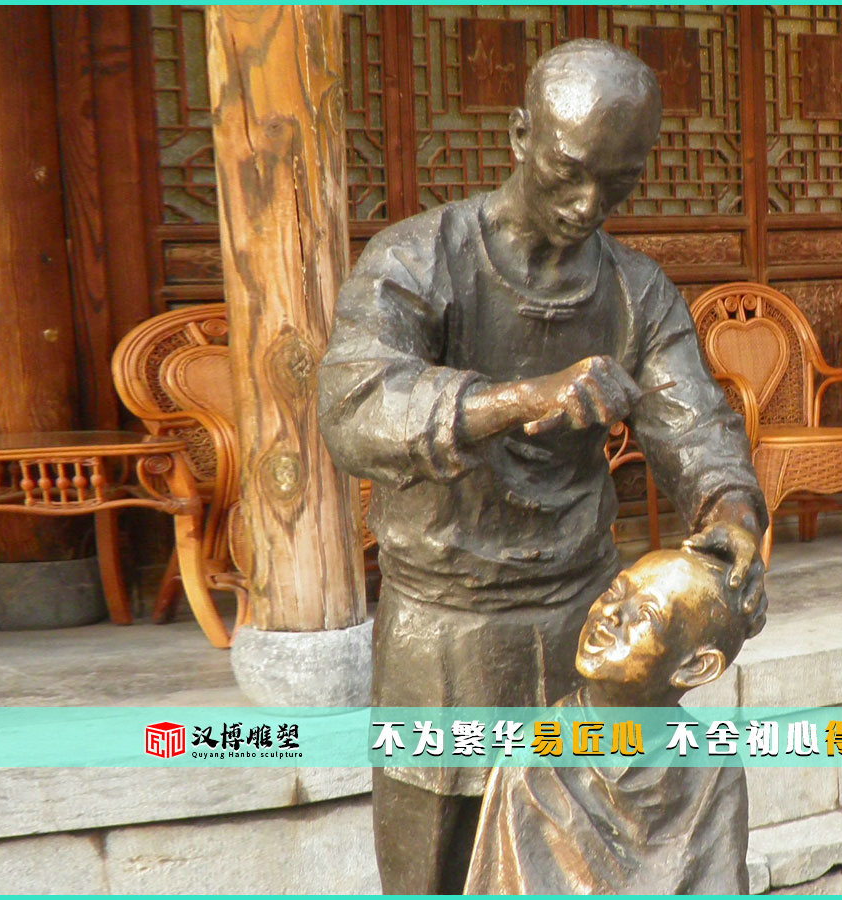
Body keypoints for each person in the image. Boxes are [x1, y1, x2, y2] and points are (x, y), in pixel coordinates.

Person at [316, 39, 767, 895]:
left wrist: (731, 514)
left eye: (618, 182)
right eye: (567, 173)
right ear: (522, 136)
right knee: (433, 871)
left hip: (582, 625)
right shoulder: (420, 258)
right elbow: (354, 407)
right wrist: (520, 399)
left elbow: (696, 424)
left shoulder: (636, 291)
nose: (589, 204)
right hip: (443, 633)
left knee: (581, 872)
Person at [464, 548, 756, 895]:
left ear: (696, 667)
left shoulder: (714, 766)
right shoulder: (531, 762)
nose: (610, 612)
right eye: (615, 591)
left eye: (645, 614)